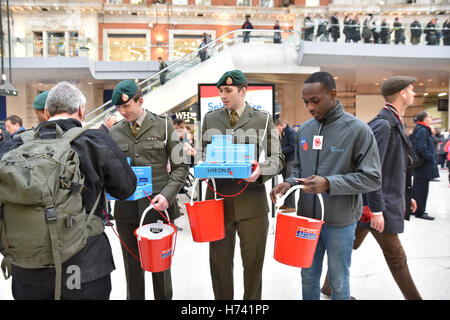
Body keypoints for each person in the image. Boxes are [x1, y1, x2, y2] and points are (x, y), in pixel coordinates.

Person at [0, 81, 137, 300]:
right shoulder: (94, 141)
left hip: (27, 268)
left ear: (46, 112)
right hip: (85, 265)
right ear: (81, 110)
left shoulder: (13, 145)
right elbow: (126, 189)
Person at [270, 71, 382, 300]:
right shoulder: (305, 130)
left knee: (339, 282)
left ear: (332, 95)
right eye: (306, 102)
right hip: (307, 220)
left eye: (315, 100)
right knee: (308, 276)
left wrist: (330, 183)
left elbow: (372, 177)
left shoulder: (358, 130)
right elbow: (300, 169)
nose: (310, 107)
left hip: (340, 222)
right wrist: (289, 182)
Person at [321, 76, 423, 300]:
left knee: (347, 245)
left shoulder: (393, 122)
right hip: (376, 207)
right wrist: (377, 210)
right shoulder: (384, 125)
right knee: (397, 257)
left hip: (375, 204)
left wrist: (407, 196)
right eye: (411, 89)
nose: (414, 93)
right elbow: (370, 169)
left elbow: (393, 167)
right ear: (402, 93)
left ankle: (329, 287)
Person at [201, 70, 284, 300]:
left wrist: (260, 171)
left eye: (228, 90)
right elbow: (203, 153)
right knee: (219, 267)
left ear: (243, 91)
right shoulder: (210, 119)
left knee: (253, 267)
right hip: (218, 203)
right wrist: (205, 165)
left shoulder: (262, 118)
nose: (223, 95)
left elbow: (278, 158)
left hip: (252, 203)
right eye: (220, 91)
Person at [110, 80, 189, 300]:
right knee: (132, 269)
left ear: (140, 101)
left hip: (157, 207)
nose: (122, 112)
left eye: (126, 106)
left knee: (160, 269)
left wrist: (167, 195)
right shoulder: (115, 132)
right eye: (118, 108)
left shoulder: (163, 126)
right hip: (126, 209)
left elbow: (181, 165)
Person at [411, 111, 439, 220]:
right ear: (424, 118)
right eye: (430, 116)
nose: (431, 118)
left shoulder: (421, 128)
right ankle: (420, 211)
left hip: (421, 165)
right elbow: (421, 147)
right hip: (424, 165)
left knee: (418, 188)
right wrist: (430, 157)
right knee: (422, 189)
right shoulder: (422, 130)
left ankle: (414, 209)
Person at [98, 113, 119, 226]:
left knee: (108, 193)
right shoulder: (101, 132)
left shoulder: (108, 132)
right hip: (103, 167)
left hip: (108, 165)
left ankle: (108, 213)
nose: (116, 124)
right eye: (114, 122)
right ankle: (104, 216)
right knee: (104, 194)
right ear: (108, 121)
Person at [276, 118, 297, 212]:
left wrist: (281, 151)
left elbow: (293, 147)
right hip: (286, 160)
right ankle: (286, 203)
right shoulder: (284, 133)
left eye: (278, 128)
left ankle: (292, 206)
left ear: (282, 125)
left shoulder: (291, 132)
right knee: (285, 182)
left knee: (289, 183)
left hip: (291, 161)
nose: (278, 130)